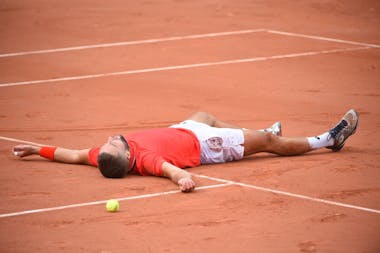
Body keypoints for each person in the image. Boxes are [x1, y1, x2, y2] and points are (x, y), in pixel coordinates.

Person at [12, 110, 359, 193]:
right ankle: (328, 139)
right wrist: (183, 179)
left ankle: (259, 133)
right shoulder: (143, 159)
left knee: (204, 113)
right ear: (124, 158)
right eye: (114, 143)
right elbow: (168, 169)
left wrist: (36, 149)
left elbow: (70, 154)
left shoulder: (101, 156)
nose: (112, 138)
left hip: (187, 128)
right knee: (269, 145)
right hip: (207, 147)